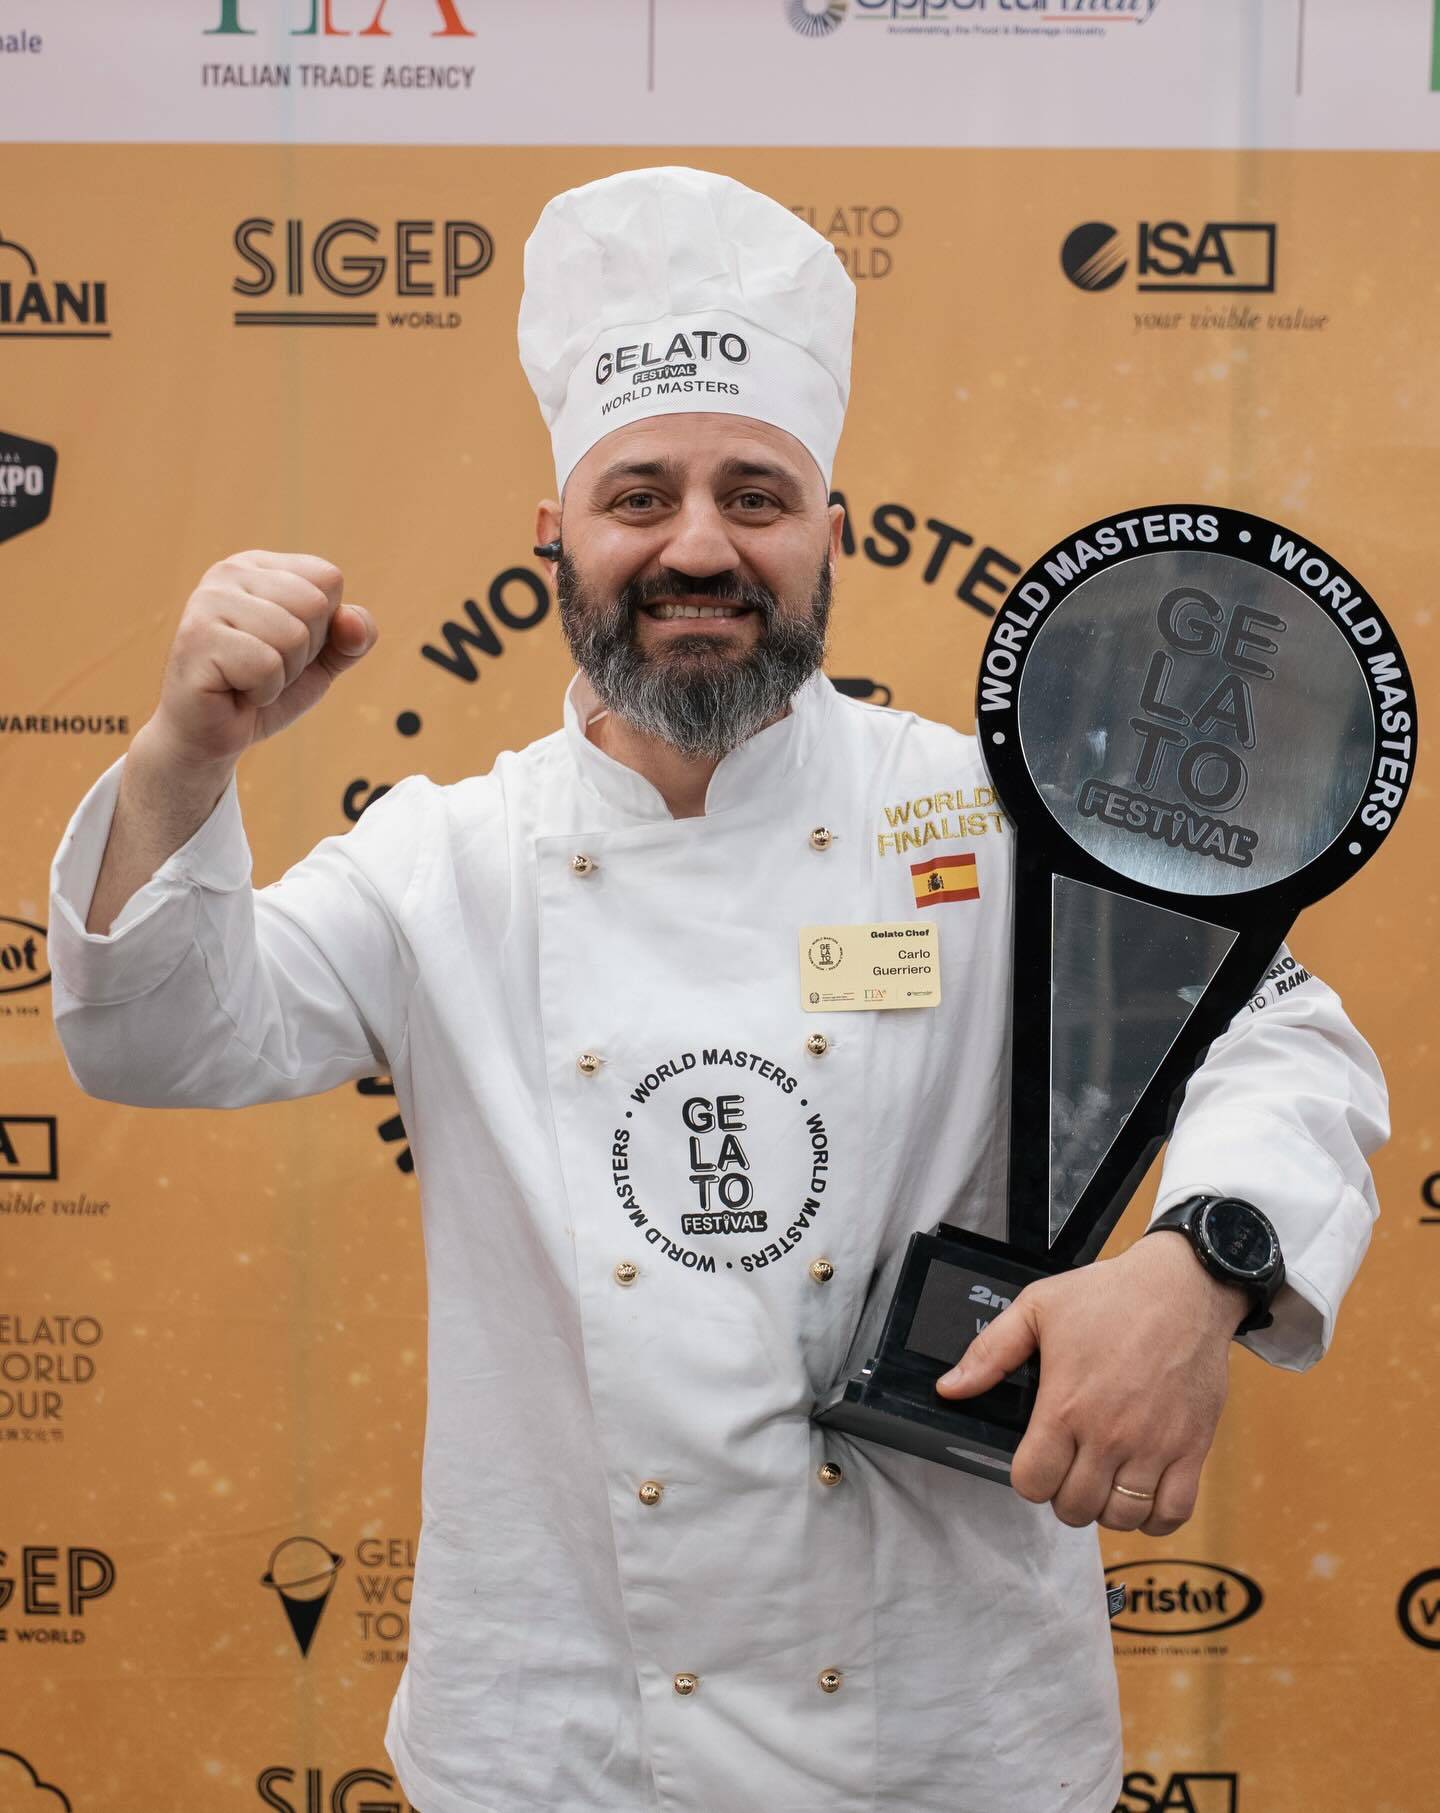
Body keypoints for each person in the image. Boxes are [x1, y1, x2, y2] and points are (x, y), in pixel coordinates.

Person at [48, 167, 1387, 1813]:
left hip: (946, 1737)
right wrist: (185, 755)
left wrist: (1196, 1273)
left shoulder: (993, 812)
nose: (699, 544)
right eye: (641, 495)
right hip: (562, 1750)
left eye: (757, 494)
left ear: (833, 531)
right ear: (556, 535)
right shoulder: (444, 857)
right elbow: (159, 1035)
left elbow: (1281, 1033)